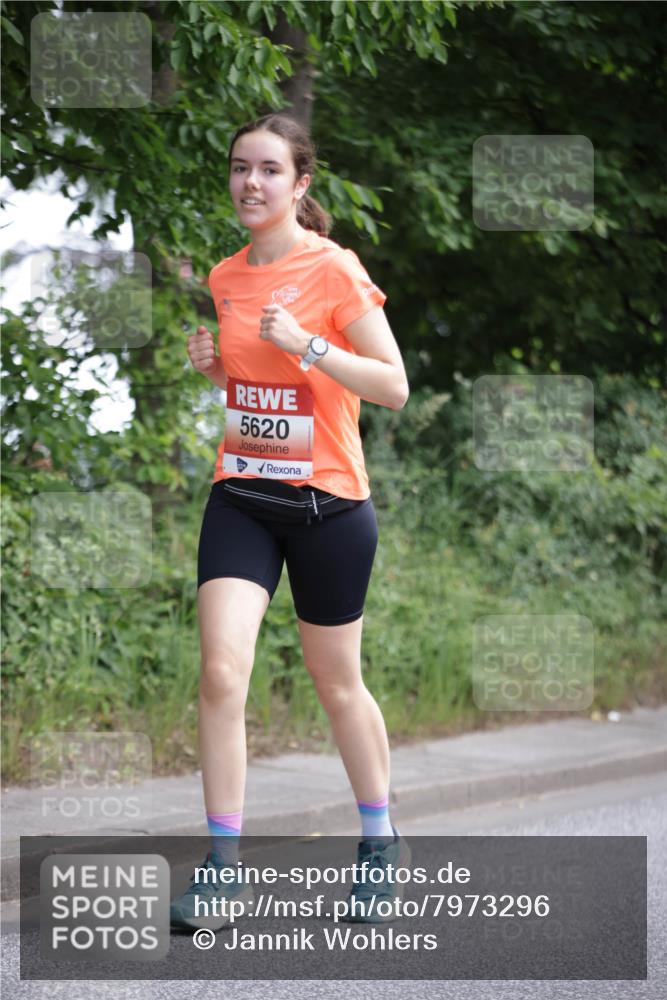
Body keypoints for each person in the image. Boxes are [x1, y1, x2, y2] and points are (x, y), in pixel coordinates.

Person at [170, 113, 410, 932]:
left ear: (300, 184)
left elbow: (391, 386)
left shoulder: (334, 270)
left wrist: (309, 344)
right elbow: (257, 398)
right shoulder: (226, 276)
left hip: (328, 505)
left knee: (337, 683)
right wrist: (217, 373)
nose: (251, 183)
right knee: (220, 673)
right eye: (240, 168)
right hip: (242, 494)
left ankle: (379, 846)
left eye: (269, 170)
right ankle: (222, 865)